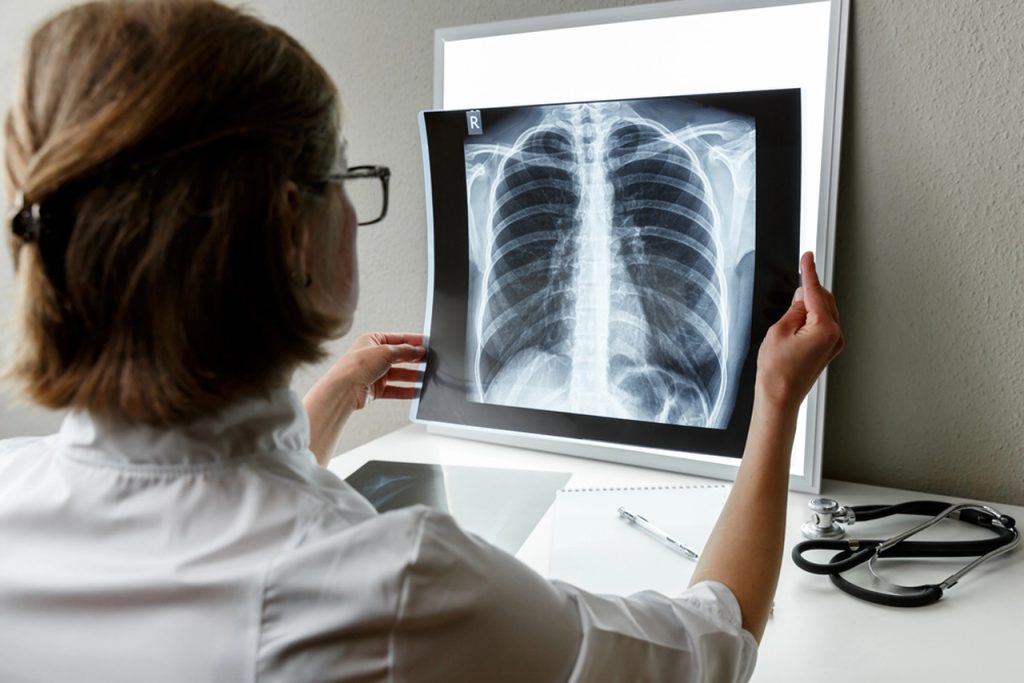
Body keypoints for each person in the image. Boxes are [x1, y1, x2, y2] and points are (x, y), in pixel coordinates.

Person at [0, 1, 843, 681]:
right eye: (342, 175)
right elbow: (710, 647)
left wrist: (330, 398)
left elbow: (204, 502)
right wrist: (773, 402)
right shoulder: (397, 583)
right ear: (289, 230)